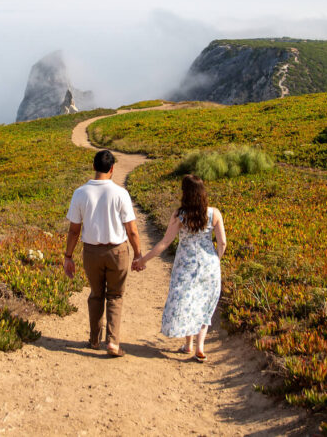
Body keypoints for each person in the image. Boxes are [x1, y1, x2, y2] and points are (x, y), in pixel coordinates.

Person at [134, 174, 226, 362]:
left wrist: (143, 260)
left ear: (185, 193)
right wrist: (216, 260)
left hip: (185, 265)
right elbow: (222, 242)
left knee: (188, 302)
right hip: (209, 265)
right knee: (204, 304)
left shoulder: (180, 215)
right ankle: (200, 348)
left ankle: (189, 344)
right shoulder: (214, 213)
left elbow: (165, 243)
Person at [64, 149, 144, 357]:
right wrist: (138, 254)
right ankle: (113, 342)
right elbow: (132, 230)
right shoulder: (120, 193)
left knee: (96, 295)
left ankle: (94, 339)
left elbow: (74, 231)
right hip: (117, 252)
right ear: (112, 169)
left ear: (94, 166)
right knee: (115, 295)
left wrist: (68, 256)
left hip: (91, 252)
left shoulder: (80, 193)